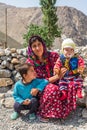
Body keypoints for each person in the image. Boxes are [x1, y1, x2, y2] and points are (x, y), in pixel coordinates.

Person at [26, 35, 71, 120]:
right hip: (39, 88)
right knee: (53, 89)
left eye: (39, 44)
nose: (38, 48)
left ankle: (62, 110)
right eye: (34, 46)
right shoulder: (30, 63)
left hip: (57, 82)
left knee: (68, 86)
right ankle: (44, 112)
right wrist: (56, 77)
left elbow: (63, 69)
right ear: (31, 49)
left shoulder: (53, 56)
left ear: (43, 44)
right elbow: (36, 82)